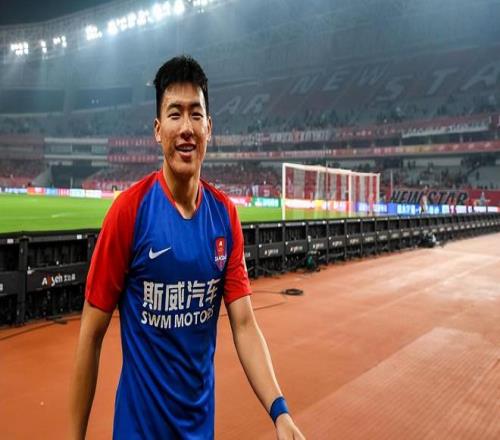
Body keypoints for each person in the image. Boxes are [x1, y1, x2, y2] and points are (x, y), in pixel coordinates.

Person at [70, 55, 305, 440]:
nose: (186, 128)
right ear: (157, 129)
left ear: (209, 127)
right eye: (174, 114)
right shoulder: (129, 212)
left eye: (196, 114)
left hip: (199, 432)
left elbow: (245, 325)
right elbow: (90, 335)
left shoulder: (224, 217)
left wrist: (280, 411)